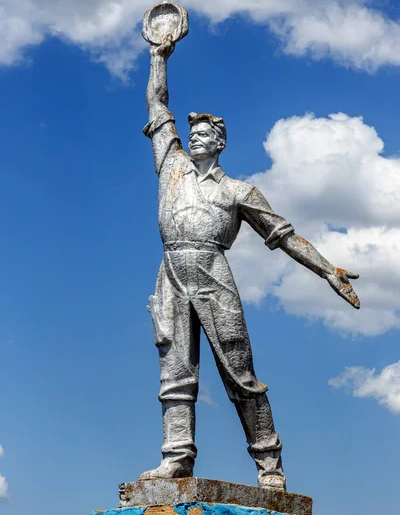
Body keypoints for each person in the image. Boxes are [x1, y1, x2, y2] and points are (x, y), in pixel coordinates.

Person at [139, 35, 360, 490]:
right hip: (171, 272)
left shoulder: (240, 191)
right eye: (191, 132)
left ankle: (269, 465)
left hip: (213, 274)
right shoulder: (171, 165)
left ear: (219, 142)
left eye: (203, 134)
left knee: (239, 374)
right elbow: (157, 105)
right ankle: (176, 457)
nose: (194, 137)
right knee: (175, 373)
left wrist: (327, 270)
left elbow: (284, 235)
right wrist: (157, 58)